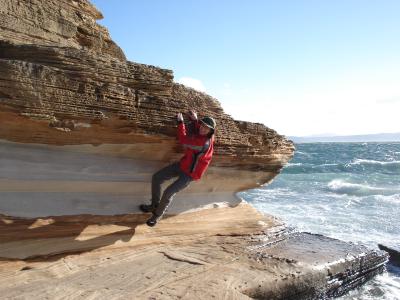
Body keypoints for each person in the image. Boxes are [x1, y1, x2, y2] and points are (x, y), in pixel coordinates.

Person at [139, 110, 216, 227]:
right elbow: (198, 129)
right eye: (202, 125)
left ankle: (156, 216)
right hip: (183, 165)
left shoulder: (201, 144)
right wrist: (195, 120)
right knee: (157, 177)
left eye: (206, 128)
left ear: (211, 131)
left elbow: (183, 140)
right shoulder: (208, 134)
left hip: (190, 174)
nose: (203, 128)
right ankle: (154, 205)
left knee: (168, 193)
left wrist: (180, 123)